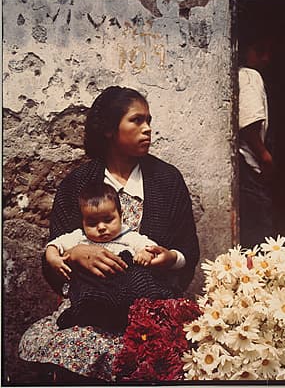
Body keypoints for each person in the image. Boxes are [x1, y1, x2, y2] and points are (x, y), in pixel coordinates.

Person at [19, 86, 200, 383]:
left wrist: (168, 258)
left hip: (149, 304)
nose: (147, 129)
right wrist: (74, 255)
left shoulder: (167, 181)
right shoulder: (77, 185)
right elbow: (52, 263)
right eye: (137, 121)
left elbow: (188, 253)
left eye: (149, 121)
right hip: (92, 305)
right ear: (109, 130)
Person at [47, 181, 176, 330]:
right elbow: (54, 245)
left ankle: (134, 312)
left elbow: (149, 246)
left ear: (121, 216)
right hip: (94, 284)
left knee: (139, 275)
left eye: (108, 220)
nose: (101, 227)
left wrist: (145, 254)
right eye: (92, 223)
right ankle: (84, 312)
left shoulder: (128, 236)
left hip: (124, 283)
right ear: (82, 222)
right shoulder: (79, 237)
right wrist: (53, 258)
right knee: (82, 286)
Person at [238, 35, 275, 248]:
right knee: (260, 235)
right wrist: (265, 156)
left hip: (246, 167)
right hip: (250, 166)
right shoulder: (250, 75)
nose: (265, 58)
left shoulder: (241, 76)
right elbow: (250, 123)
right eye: (259, 50)